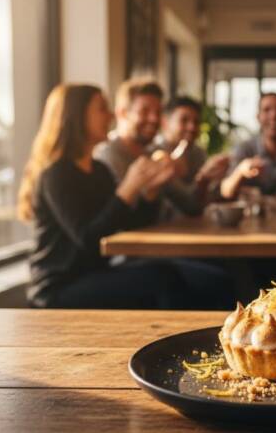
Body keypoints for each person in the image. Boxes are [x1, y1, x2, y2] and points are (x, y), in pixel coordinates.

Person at [17, 84, 180, 309]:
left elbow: (128, 226)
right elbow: (88, 239)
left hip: (94, 275)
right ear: (77, 116)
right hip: (57, 289)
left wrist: (150, 193)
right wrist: (128, 187)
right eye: (102, 108)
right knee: (161, 278)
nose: (111, 115)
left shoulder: (99, 170)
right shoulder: (56, 174)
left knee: (166, 274)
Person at [153, 96, 230, 218]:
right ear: (165, 122)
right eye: (184, 120)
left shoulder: (197, 153)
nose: (192, 127)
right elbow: (189, 205)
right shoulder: (155, 154)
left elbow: (208, 201)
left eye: (196, 122)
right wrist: (203, 178)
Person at [93, 79, 163, 182]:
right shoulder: (107, 154)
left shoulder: (153, 152)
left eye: (158, 112)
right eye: (144, 111)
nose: (154, 119)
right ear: (122, 113)